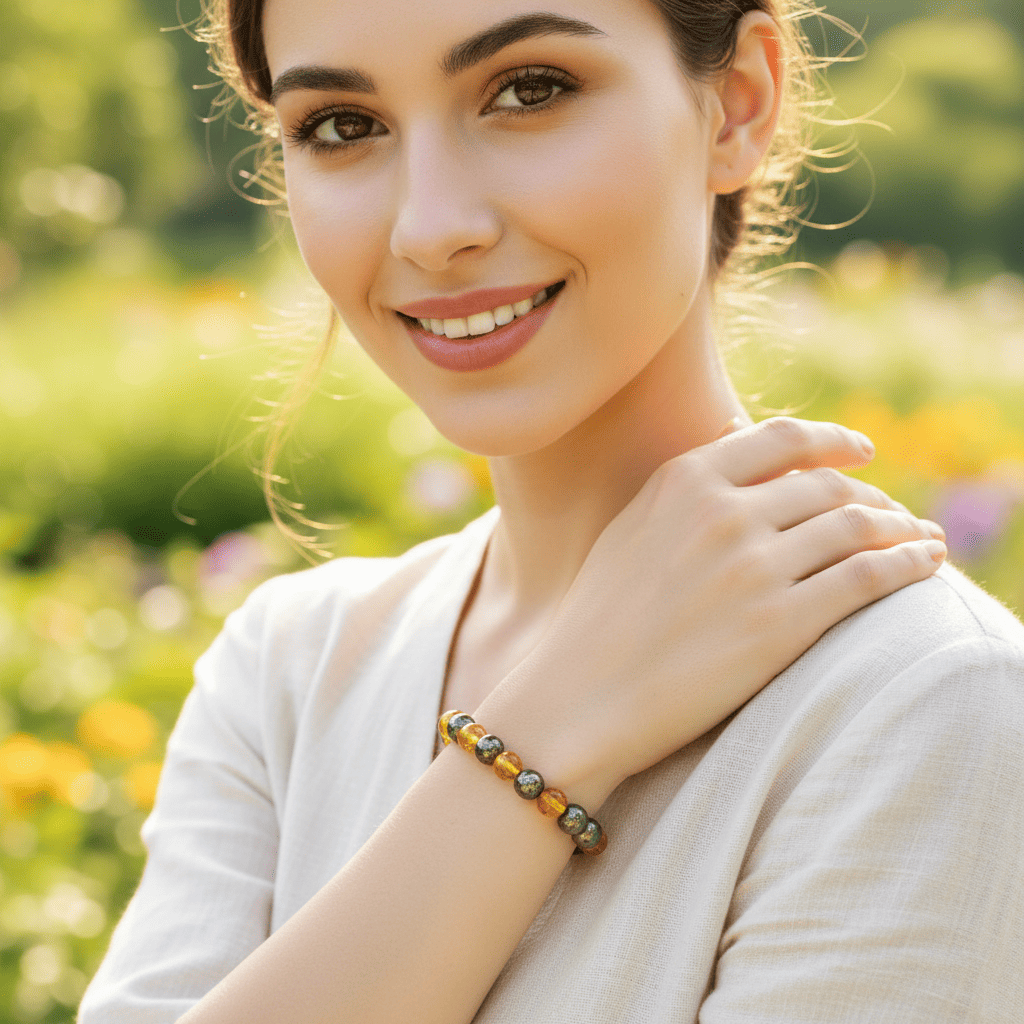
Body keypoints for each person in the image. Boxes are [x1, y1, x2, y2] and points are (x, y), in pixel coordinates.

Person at [78, 0, 1024, 1021]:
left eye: (530, 91)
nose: (432, 228)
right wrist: (557, 717)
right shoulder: (287, 674)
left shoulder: (923, 699)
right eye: (343, 126)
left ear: (737, 105)